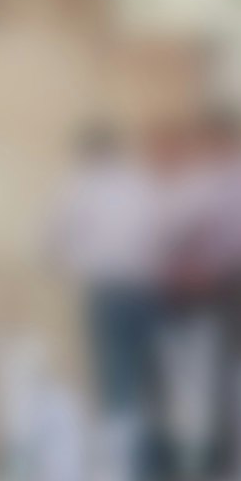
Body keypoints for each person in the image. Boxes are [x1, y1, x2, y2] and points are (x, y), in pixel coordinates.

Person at [156, 104, 241, 481]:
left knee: (230, 373)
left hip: (232, 282)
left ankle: (233, 462)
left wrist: (199, 263)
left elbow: (211, 231)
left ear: (223, 138)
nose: (204, 147)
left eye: (208, 139)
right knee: (239, 372)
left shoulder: (228, 179)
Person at [46, 123, 163, 432]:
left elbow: (54, 236)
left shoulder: (81, 186)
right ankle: (144, 452)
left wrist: (68, 264)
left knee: (114, 372)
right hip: (144, 286)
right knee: (143, 372)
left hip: (108, 288)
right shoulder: (139, 182)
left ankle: (119, 449)